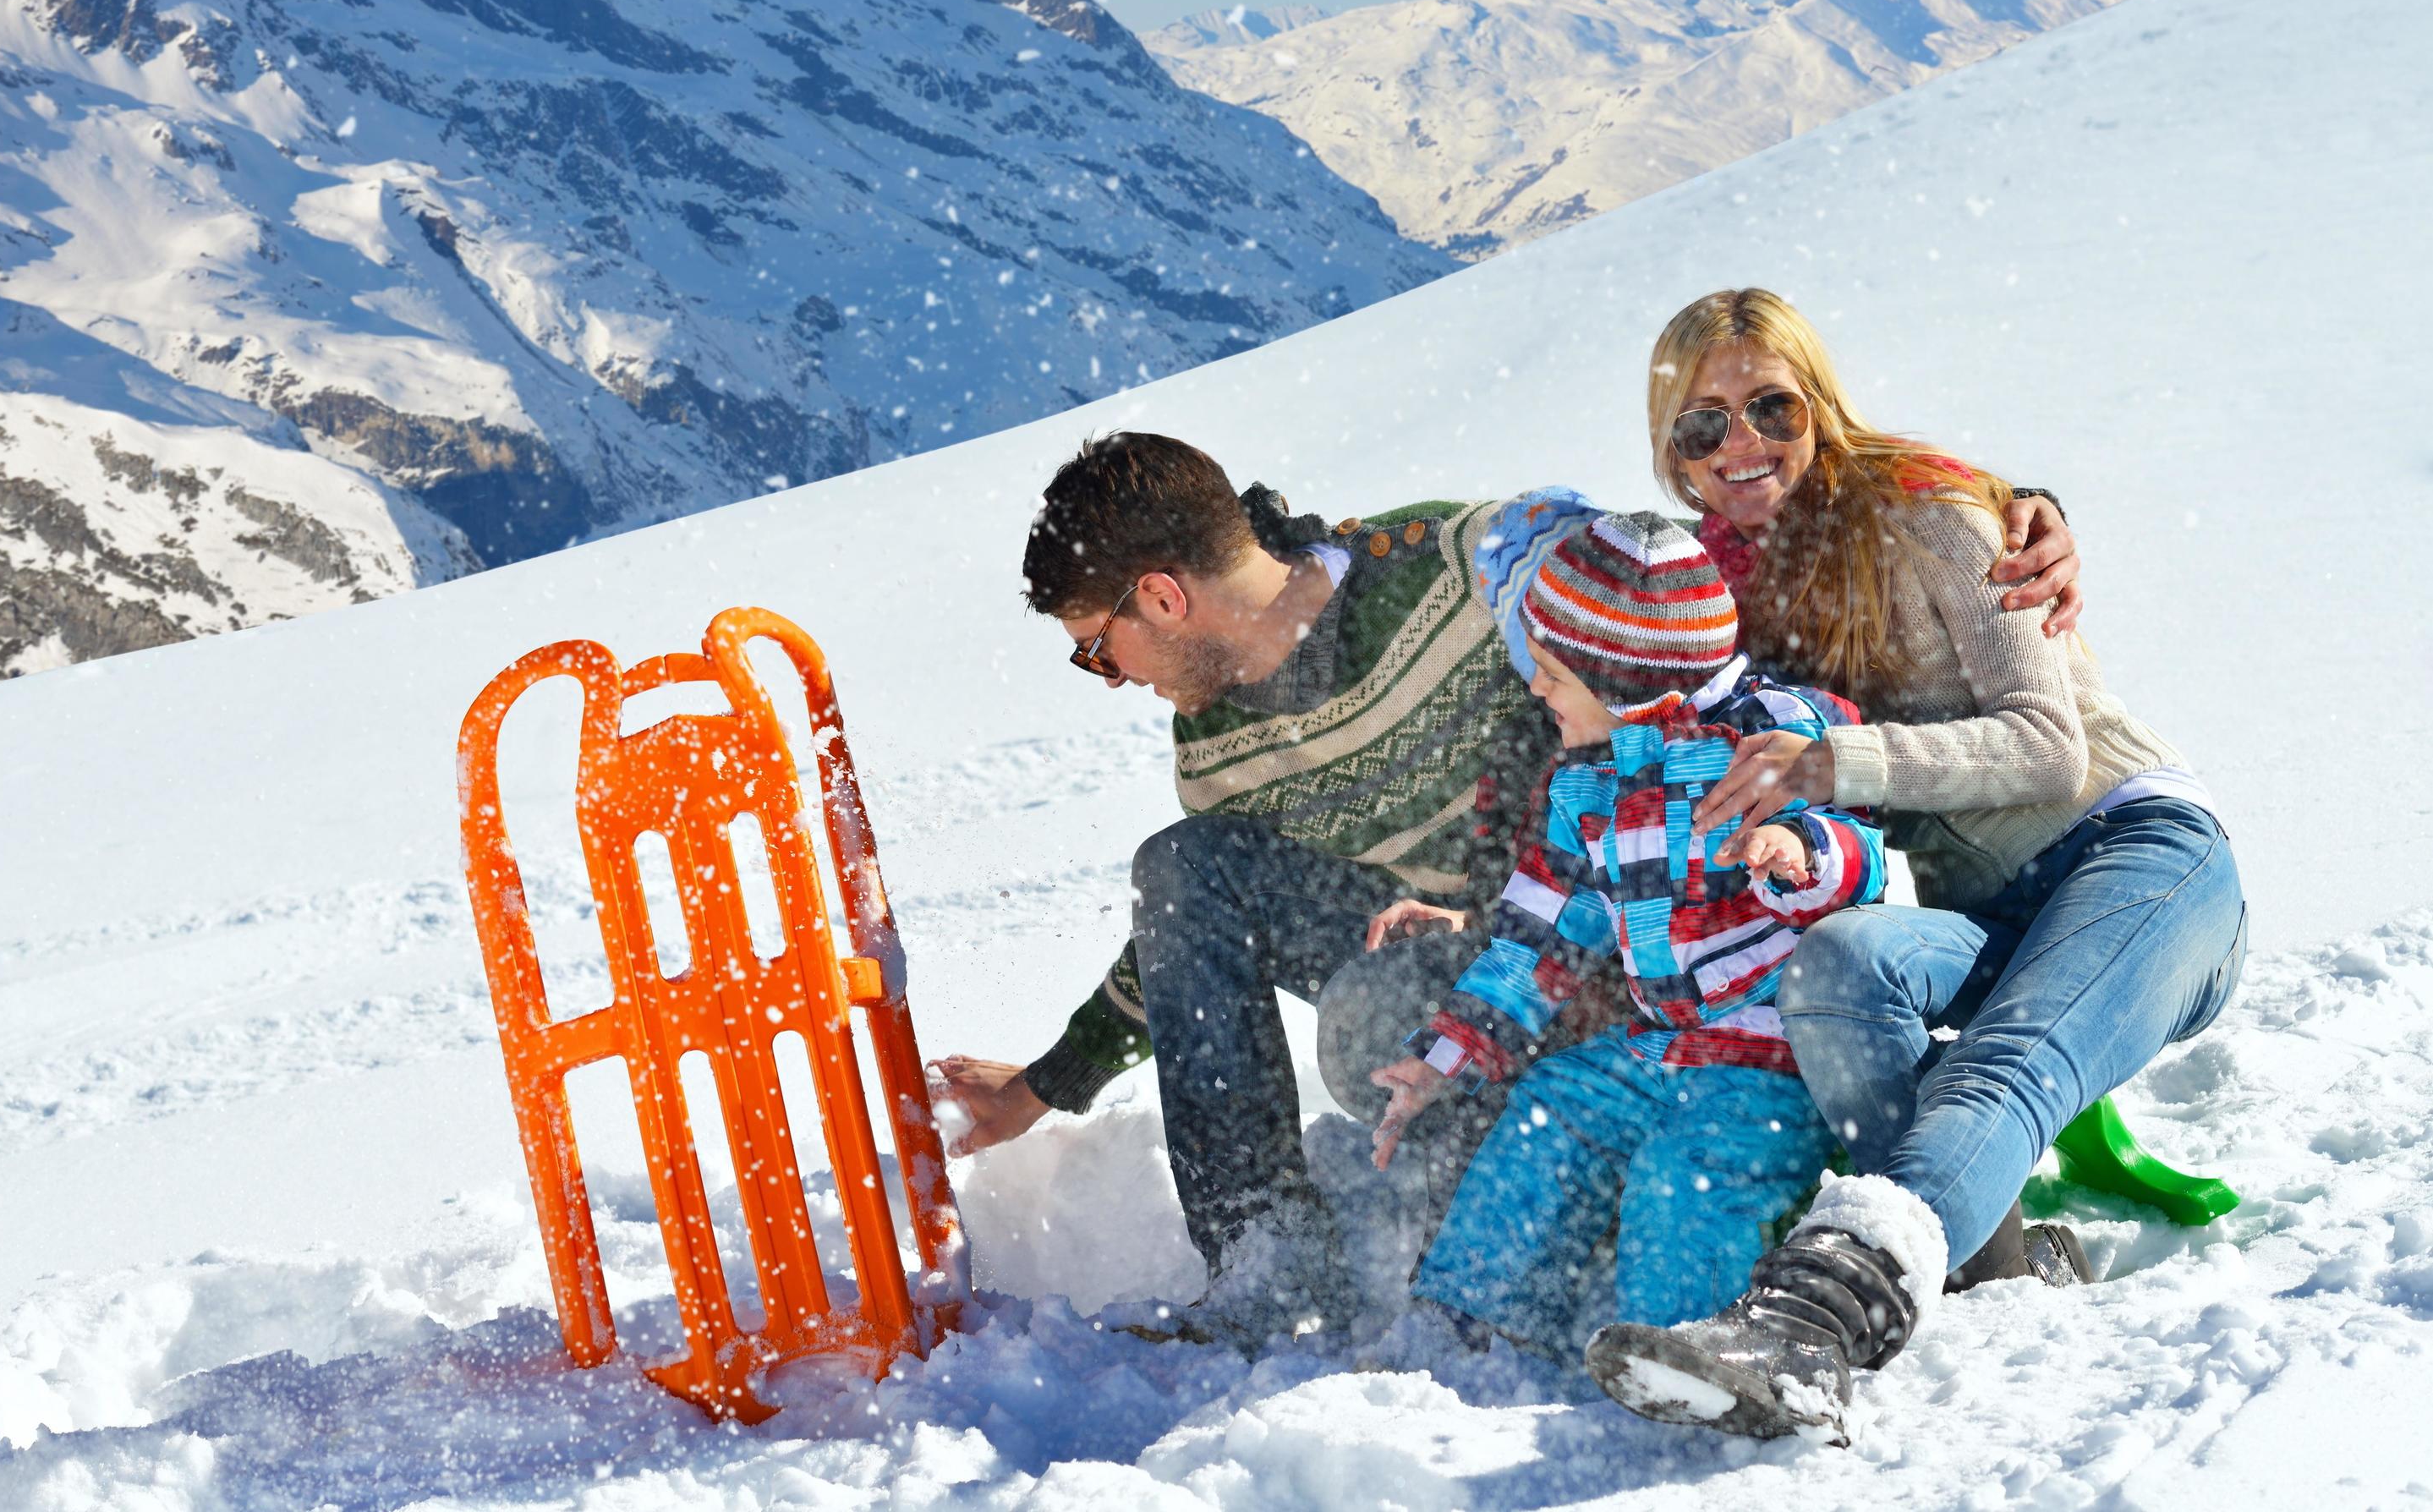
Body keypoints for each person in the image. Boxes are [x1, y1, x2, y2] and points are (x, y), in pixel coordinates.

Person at [926, 431, 2083, 1346]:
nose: (1109, 679)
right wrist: (1051, 1082)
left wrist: (1996, 513)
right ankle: (1277, 1264)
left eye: (1097, 646)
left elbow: (1695, 551)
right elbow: (1182, 936)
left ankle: (1595, 1250)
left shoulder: (1460, 562)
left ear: (1161, 599)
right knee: (1201, 883)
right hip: (1514, 948)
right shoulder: (1217, 751)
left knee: (1405, 1019)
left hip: (1678, 925)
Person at [1586, 288, 2245, 1438]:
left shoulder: (1928, 514)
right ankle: (1998, 1280)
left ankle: (1808, 1326)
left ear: (1820, 407)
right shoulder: (1713, 593)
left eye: (1771, 408)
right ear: (1671, 454)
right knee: (1841, 968)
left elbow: (2048, 752)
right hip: (1984, 910)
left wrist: (1830, 763)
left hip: (2136, 852)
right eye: (1703, 425)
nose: (1741, 445)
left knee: (2008, 1060)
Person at [1362, 496, 1884, 1361]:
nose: (1536, 687)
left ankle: (1688, 1351)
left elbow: (1864, 850)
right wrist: (1443, 1058)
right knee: (1549, 1110)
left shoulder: (1769, 738)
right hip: (1663, 1047)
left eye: (1554, 671)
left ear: (1620, 678)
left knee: (1683, 1178)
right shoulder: (1592, 790)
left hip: (1779, 1061)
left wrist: (1799, 846)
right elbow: (1534, 945)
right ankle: (1468, 1319)